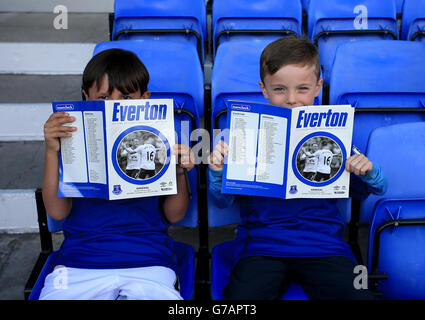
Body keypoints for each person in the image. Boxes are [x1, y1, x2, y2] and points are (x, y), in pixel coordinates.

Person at [208, 37, 387, 300]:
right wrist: (217, 171)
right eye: (279, 89)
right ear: (264, 89)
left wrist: (369, 170)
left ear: (318, 87)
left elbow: (377, 187)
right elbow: (222, 201)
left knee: (361, 297)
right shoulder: (245, 135)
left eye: (302, 88)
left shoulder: (333, 134)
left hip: (325, 246)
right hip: (263, 247)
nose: (292, 100)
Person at [41, 48, 194, 300]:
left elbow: (175, 215)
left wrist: (179, 172)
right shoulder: (69, 142)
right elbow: (57, 213)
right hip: (79, 262)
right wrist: (51, 151)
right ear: (85, 98)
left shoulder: (161, 140)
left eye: (125, 97)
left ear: (145, 99)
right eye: (103, 98)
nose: (113, 107)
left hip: (148, 261)